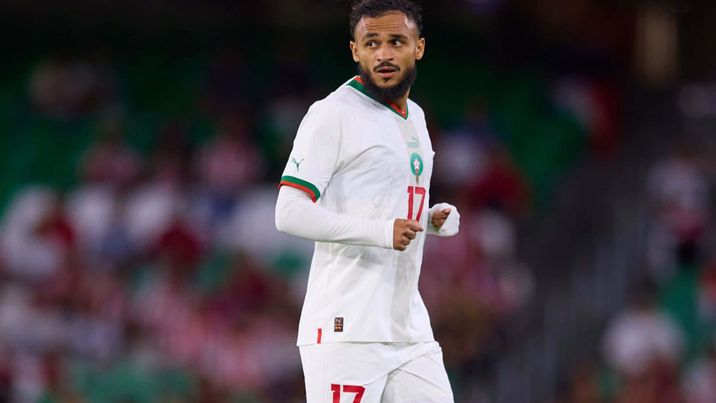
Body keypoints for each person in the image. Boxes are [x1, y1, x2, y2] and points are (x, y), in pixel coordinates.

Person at [275, 0, 460, 401]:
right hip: (347, 328)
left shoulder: (416, 117)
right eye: (372, 43)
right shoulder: (332, 114)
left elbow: (379, 206)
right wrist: (382, 232)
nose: (384, 54)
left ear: (419, 47)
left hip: (407, 327)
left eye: (396, 41)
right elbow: (288, 212)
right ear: (355, 50)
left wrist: (429, 219)